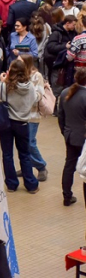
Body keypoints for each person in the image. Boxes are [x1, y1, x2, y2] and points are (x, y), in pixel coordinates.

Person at [0, 60, 41, 193]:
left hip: (6, 123)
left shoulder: (5, 86)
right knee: (25, 154)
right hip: (23, 123)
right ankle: (31, 184)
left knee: (7, 154)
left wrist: (2, 82)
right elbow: (34, 100)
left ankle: (11, 184)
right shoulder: (30, 86)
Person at [58, 68, 86, 206]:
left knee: (69, 165)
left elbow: (60, 117)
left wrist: (65, 132)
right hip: (83, 138)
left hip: (70, 136)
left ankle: (67, 196)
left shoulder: (64, 93)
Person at [19, 54, 49, 181]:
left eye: (19, 61)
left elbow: (38, 96)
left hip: (32, 115)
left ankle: (41, 166)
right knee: (22, 144)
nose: (17, 64)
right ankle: (26, 166)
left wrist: (24, 89)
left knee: (30, 143)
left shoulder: (37, 76)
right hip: (19, 115)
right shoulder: (18, 75)